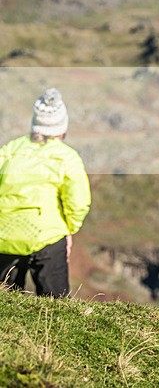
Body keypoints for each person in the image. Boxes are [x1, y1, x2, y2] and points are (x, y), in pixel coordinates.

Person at [0, 89, 92, 297]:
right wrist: (69, 230)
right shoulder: (67, 157)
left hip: (5, 237)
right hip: (48, 237)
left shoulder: (9, 150)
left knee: (4, 299)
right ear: (62, 126)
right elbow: (78, 202)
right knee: (56, 302)